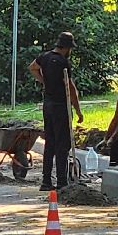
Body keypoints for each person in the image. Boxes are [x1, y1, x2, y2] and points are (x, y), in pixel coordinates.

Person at [29, 31, 82, 191]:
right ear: (67, 48)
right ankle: (61, 182)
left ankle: (46, 181)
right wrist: (78, 110)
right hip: (61, 106)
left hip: (48, 105)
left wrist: (44, 81)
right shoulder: (63, 62)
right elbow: (70, 87)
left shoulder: (44, 57)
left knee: (50, 143)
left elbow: (32, 68)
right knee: (62, 144)